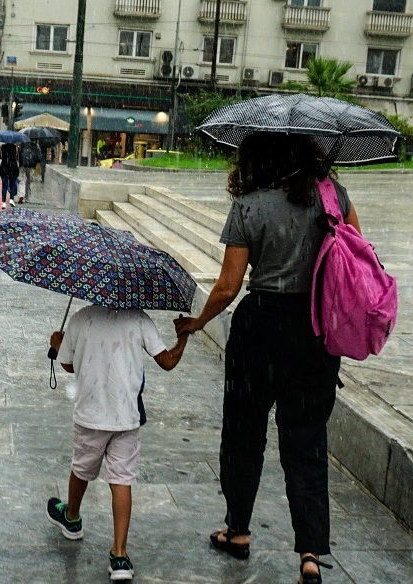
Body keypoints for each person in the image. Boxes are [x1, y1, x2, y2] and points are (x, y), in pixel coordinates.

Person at [174, 132, 358, 584]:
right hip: (316, 332)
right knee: (307, 441)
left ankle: (238, 530)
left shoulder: (249, 205)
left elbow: (228, 286)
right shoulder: (333, 197)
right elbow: (354, 258)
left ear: (256, 156)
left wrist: (198, 322)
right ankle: (310, 554)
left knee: (243, 433)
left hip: (259, 330)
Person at [48, 304, 189, 582]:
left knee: (81, 469)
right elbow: (168, 361)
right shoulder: (139, 319)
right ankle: (120, 554)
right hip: (126, 417)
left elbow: (69, 364)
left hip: (90, 415)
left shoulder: (81, 318)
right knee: (122, 480)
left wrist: (58, 344)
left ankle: (72, 518)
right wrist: (183, 338)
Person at [0, 142, 19, 209]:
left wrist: (0, 168)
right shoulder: (15, 148)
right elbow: (17, 159)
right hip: (12, 167)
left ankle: (3, 202)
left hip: (4, 168)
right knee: (12, 184)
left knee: (4, 185)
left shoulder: (1, 147)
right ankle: (11, 199)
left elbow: (0, 159)